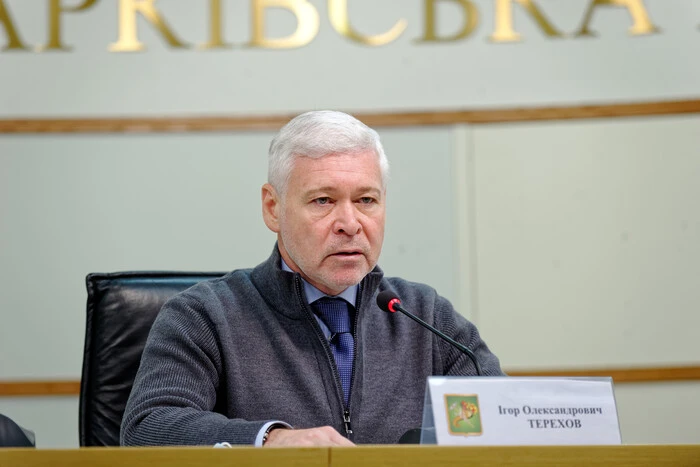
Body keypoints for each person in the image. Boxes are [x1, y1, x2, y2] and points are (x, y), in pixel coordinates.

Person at [120, 110, 503, 447]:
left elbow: (506, 419)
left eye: (366, 200)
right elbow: (147, 428)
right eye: (323, 200)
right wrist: (271, 440)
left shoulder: (424, 315)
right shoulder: (205, 316)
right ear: (273, 209)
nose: (350, 224)